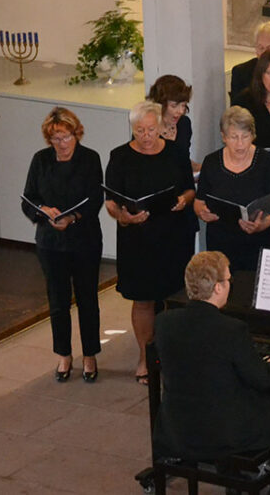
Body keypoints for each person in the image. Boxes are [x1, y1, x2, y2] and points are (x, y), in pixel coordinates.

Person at [151, 251, 270, 462]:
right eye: (229, 279)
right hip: (224, 433)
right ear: (218, 287)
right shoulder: (231, 329)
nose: (231, 284)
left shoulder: (164, 321)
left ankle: (237, 472)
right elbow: (261, 380)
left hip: (178, 426)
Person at [105, 101, 196, 384]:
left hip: (172, 234)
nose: (146, 136)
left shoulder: (176, 153)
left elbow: (189, 189)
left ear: (161, 127)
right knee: (143, 300)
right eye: (140, 131)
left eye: (151, 129)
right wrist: (124, 216)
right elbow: (110, 201)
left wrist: (184, 200)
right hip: (137, 237)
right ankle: (145, 358)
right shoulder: (120, 156)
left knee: (173, 298)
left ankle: (172, 357)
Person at [22, 107, 104, 382]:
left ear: (76, 133)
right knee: (57, 301)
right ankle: (64, 355)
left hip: (84, 240)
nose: (62, 143)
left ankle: (90, 354)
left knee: (87, 299)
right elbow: (28, 199)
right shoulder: (41, 160)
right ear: (49, 139)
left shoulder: (89, 158)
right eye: (56, 138)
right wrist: (43, 211)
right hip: (50, 242)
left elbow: (95, 199)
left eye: (66, 136)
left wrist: (72, 217)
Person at [194, 107, 270, 275]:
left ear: (253, 135)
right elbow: (199, 202)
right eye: (234, 137)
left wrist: (262, 224)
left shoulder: (264, 160)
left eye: (245, 136)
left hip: (259, 240)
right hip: (222, 242)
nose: (240, 144)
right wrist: (202, 213)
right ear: (223, 137)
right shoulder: (211, 162)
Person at [147, 74, 194, 162]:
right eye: (174, 106)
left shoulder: (184, 123)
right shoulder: (146, 130)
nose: (180, 111)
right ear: (160, 105)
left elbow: (184, 161)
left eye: (183, 105)